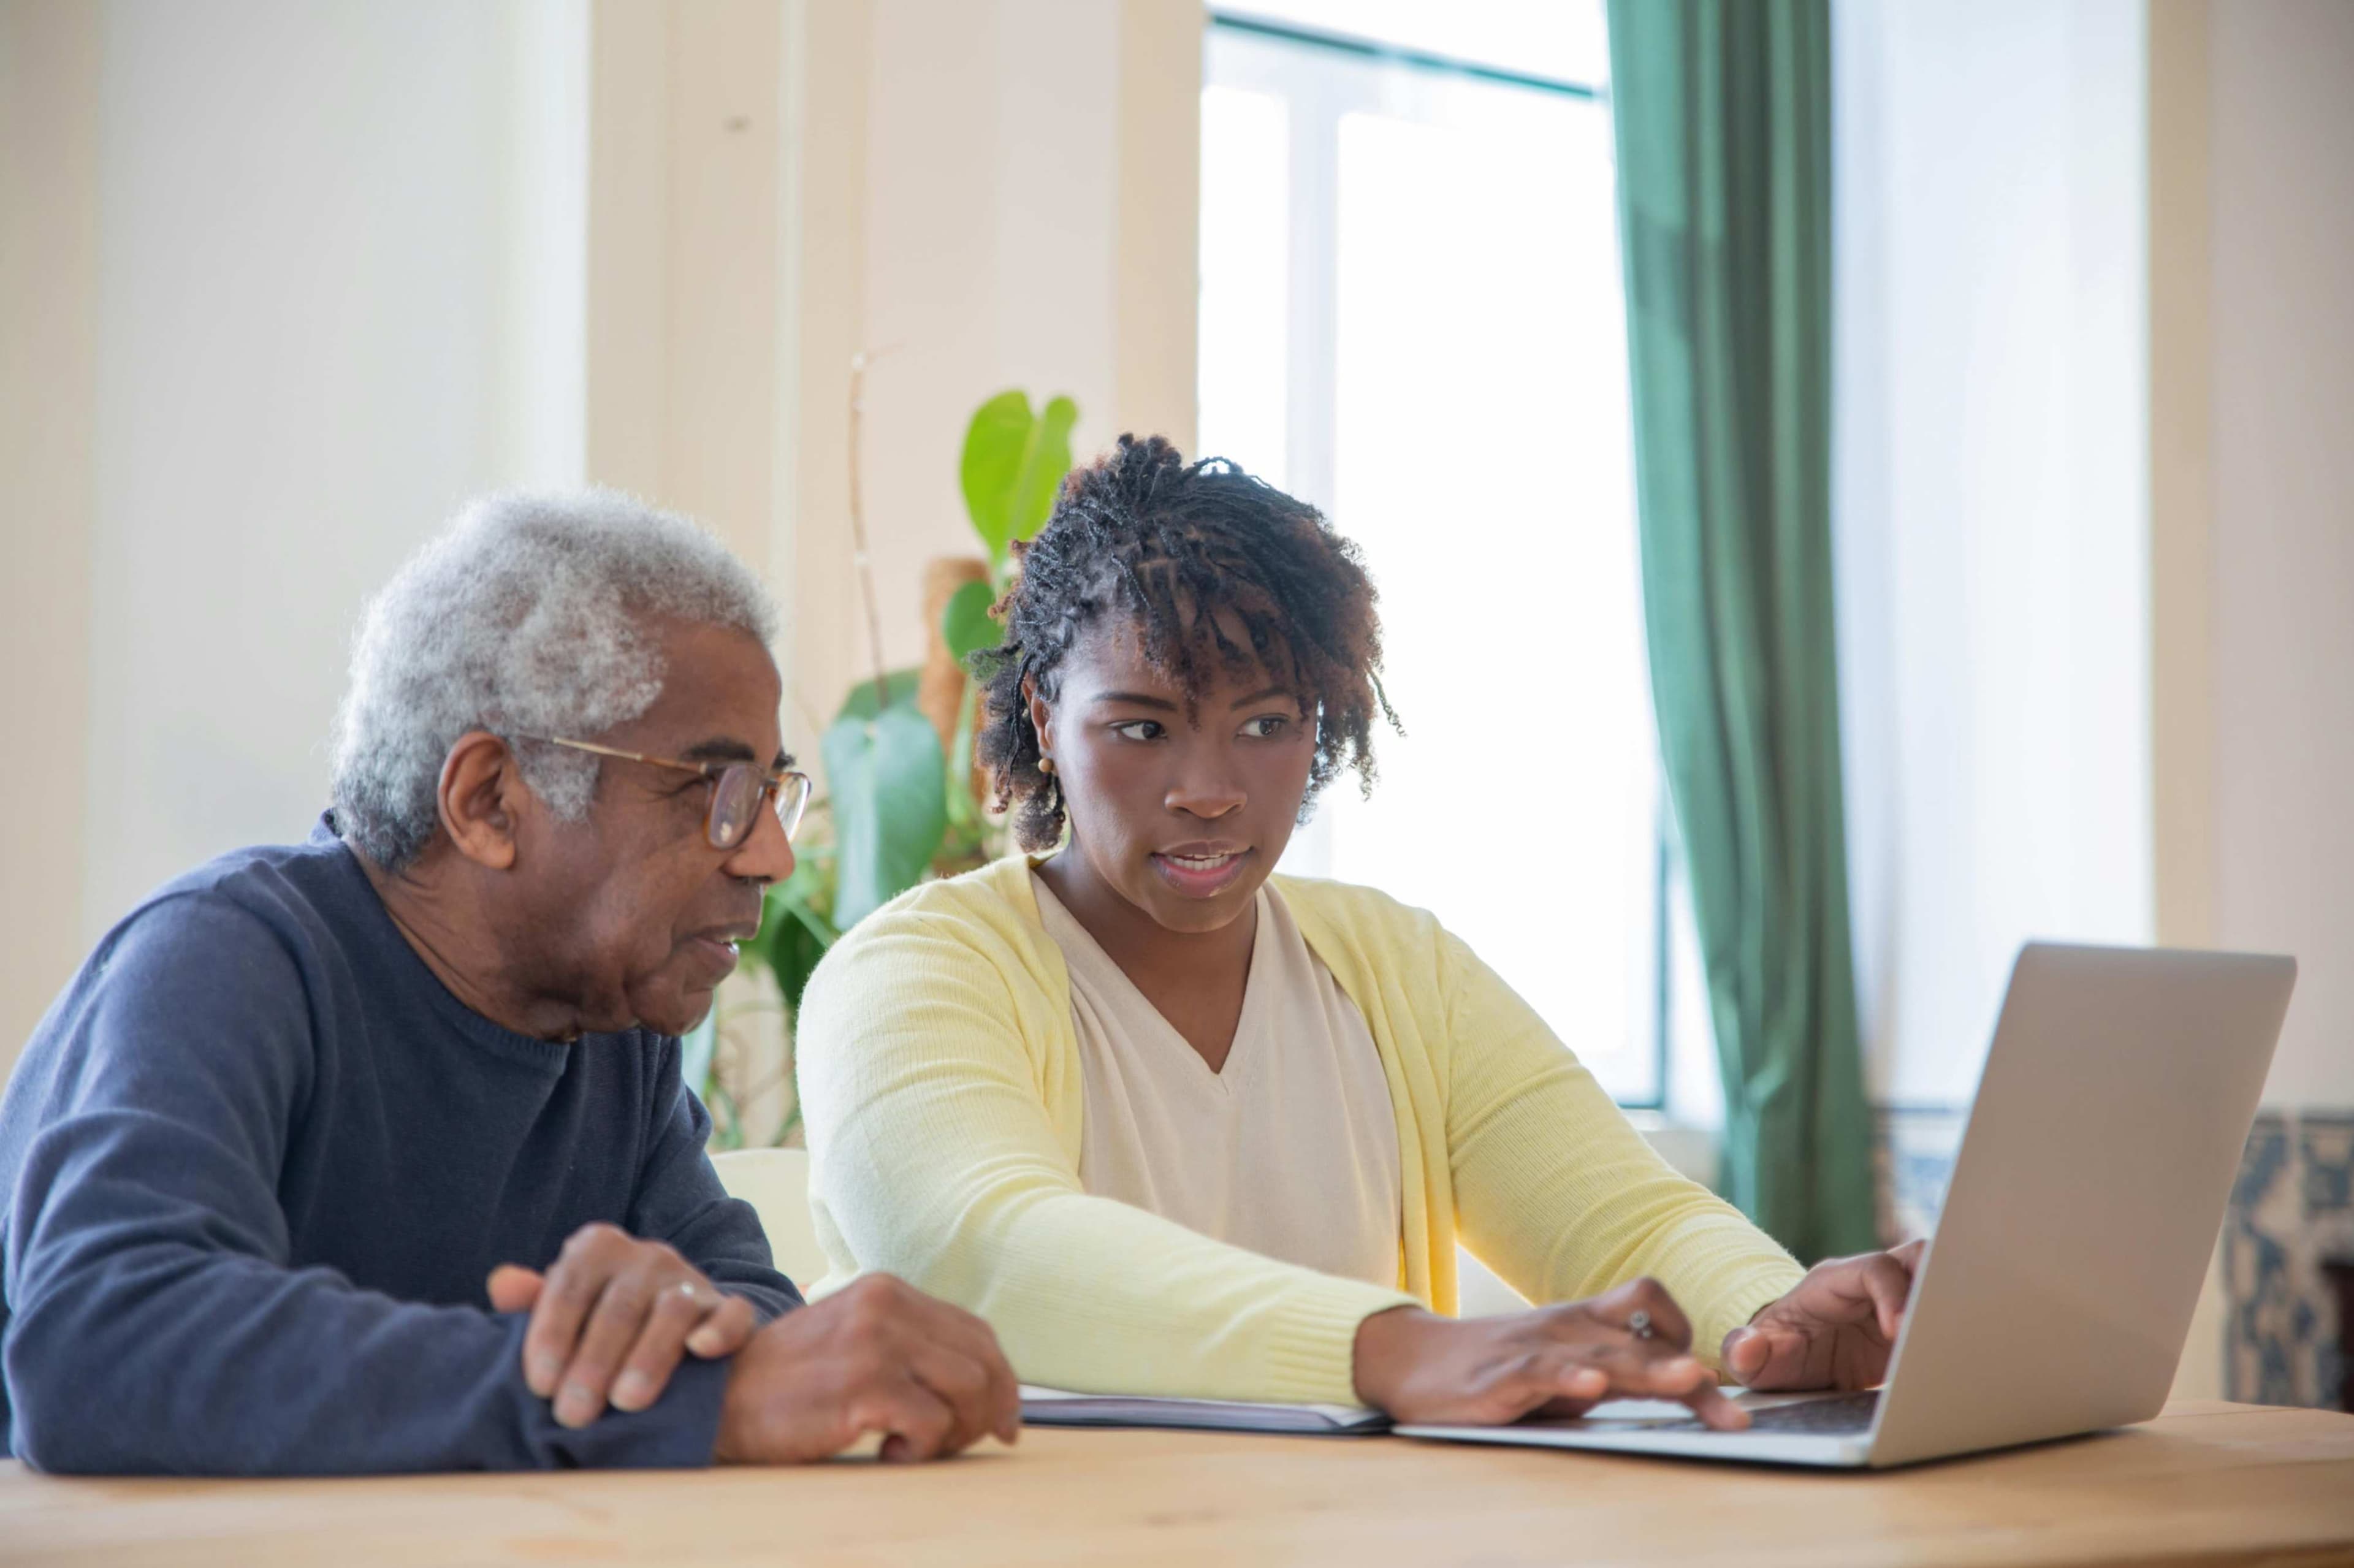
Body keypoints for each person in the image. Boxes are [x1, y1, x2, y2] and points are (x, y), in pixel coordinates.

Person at [798, 438, 1924, 1429]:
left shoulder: (1398, 969)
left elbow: (1623, 1218)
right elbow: (983, 1251)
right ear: (1043, 714)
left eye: (1267, 725)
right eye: (1141, 727)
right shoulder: (912, 975)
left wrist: (1772, 1322)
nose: (1210, 790)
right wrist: (1394, 1348)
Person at [0, 492, 1018, 1474]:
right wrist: (667, 1398)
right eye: (716, 792)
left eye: (769, 794)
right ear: (488, 799)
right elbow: (102, 1340)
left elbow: (747, 1301)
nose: (768, 858)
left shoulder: (613, 1028)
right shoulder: (225, 961)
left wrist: (686, 1342)